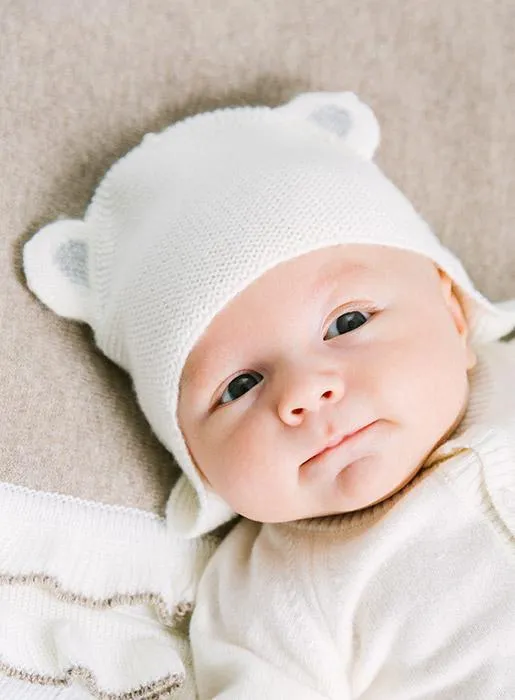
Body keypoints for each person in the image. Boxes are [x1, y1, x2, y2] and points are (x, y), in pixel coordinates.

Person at [24, 91, 515, 698]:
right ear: (194, 460)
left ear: (454, 314)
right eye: (240, 386)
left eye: (348, 323)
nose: (306, 392)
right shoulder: (270, 597)